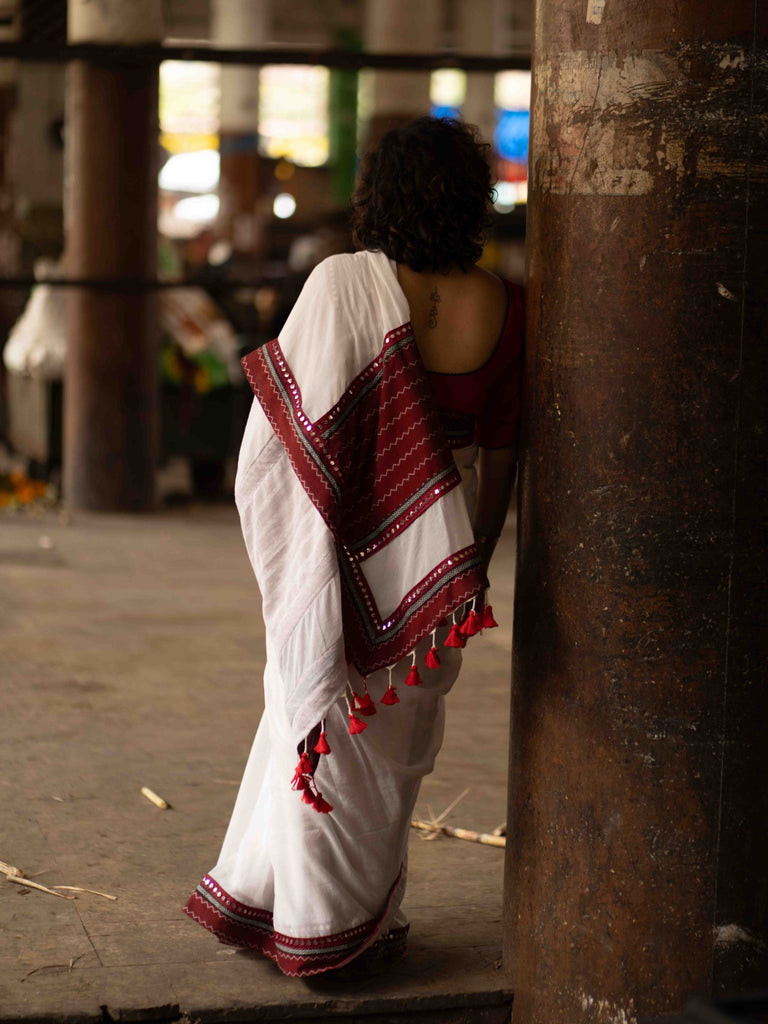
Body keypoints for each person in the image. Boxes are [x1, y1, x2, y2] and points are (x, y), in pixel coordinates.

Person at [182, 117, 524, 978]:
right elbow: (506, 448)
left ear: (383, 195)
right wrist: (468, 560)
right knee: (391, 750)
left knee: (319, 723)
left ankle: (319, 929)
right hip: (431, 563)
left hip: (339, 552)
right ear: (470, 202)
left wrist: (308, 547)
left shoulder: (343, 282)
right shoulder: (505, 304)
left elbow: (278, 441)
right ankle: (358, 918)